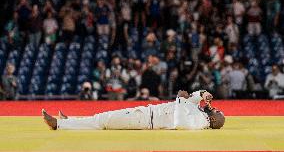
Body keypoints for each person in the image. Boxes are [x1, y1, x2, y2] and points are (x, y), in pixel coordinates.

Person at [42, 90, 225, 130]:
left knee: (104, 120)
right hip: (146, 114)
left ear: (215, 120)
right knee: (103, 118)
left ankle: (58, 125)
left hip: (146, 120)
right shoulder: (200, 113)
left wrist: (180, 100)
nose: (214, 108)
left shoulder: (201, 121)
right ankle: (69, 121)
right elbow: (193, 97)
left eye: (217, 111)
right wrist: (203, 93)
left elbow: (181, 124)